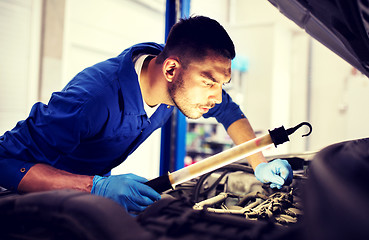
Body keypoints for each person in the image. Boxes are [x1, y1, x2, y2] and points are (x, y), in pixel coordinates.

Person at [0, 16, 292, 214]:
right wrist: (95, 186)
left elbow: (230, 112)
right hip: (24, 204)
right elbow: (4, 163)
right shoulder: (91, 100)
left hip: (79, 201)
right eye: (209, 82)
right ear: (170, 70)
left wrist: (258, 164)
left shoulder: (174, 79)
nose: (216, 96)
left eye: (221, 84)